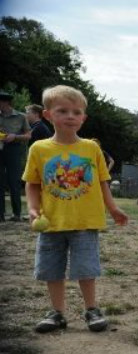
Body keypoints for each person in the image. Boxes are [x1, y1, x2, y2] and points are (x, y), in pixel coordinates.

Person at [22, 85, 129, 333]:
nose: (70, 116)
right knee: (51, 269)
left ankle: (91, 309)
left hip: (85, 221)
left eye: (76, 112)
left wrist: (113, 208)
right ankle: (57, 313)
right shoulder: (39, 149)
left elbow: (103, 182)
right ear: (48, 115)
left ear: (83, 118)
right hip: (51, 222)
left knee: (86, 269)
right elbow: (32, 184)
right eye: (62, 110)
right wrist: (33, 209)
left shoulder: (91, 148)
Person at [0, 90, 32, 222]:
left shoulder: (21, 116)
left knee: (14, 181)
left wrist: (15, 136)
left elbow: (28, 135)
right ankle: (0, 215)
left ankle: (17, 214)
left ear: (6, 102)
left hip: (14, 149)